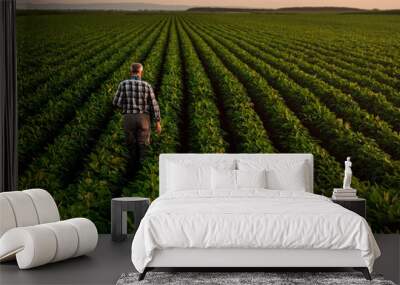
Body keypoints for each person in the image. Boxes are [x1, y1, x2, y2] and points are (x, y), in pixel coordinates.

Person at [113, 63, 161, 169]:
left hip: (128, 117)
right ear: (141, 72)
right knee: (143, 144)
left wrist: (126, 105)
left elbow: (116, 102)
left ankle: (131, 168)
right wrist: (158, 122)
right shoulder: (147, 85)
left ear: (131, 72)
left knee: (131, 145)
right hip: (143, 118)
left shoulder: (123, 84)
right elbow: (154, 104)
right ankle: (141, 169)